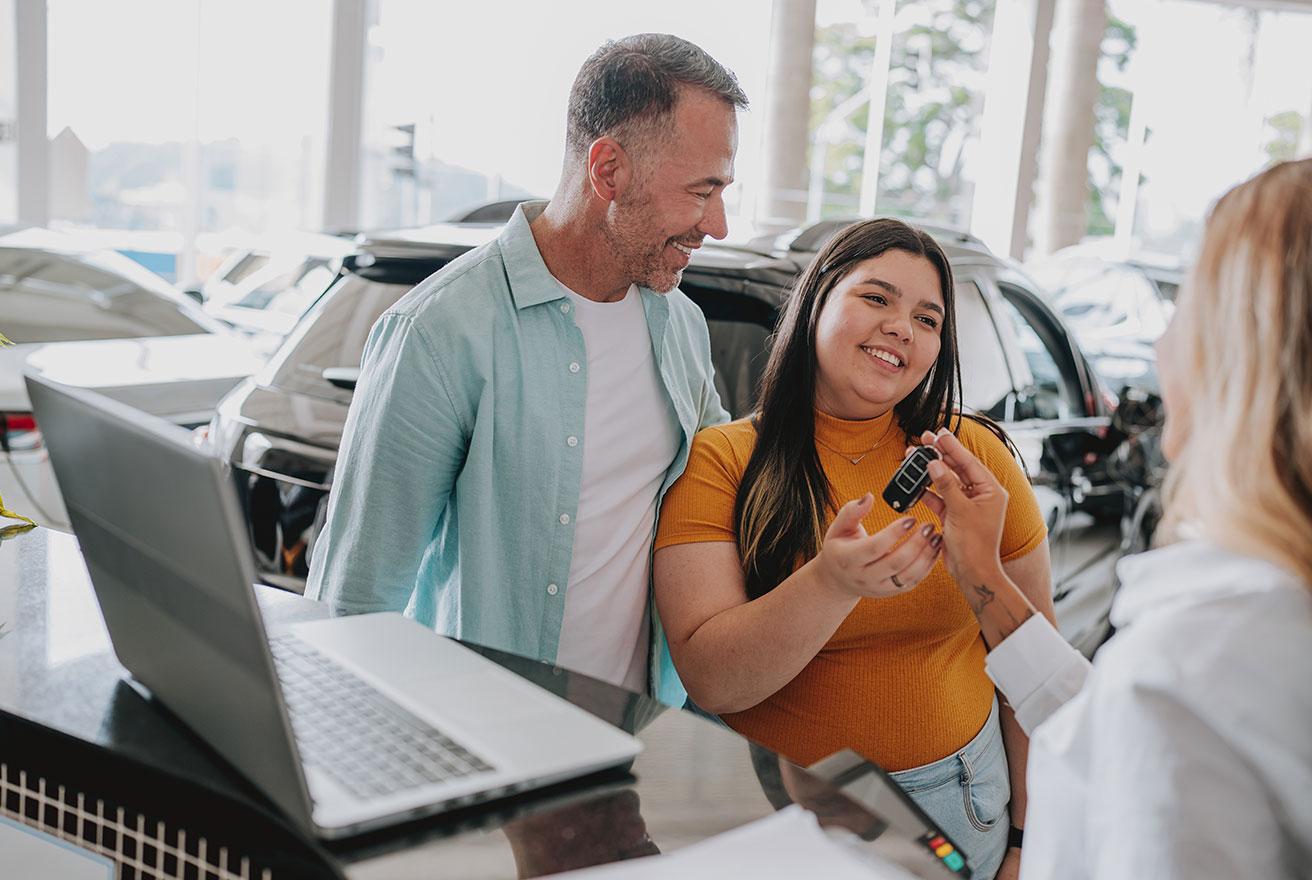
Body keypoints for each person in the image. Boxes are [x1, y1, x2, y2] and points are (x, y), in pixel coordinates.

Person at [306, 34, 746, 703]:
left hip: (634, 744)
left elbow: (723, 479)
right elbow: (356, 598)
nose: (717, 224)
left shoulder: (679, 323)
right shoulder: (441, 330)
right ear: (609, 172)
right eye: (700, 191)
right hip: (482, 744)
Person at [919, 158, 1312, 879]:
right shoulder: (1237, 647)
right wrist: (980, 575)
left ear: (1242, 358)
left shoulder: (1189, 677)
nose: (1160, 351)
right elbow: (1102, 732)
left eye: (1185, 307)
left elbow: (1146, 724)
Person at [653, 218, 1056, 879]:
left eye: (928, 319)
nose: (904, 326)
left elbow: (1032, 671)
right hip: (781, 814)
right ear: (817, 301)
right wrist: (831, 585)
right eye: (877, 298)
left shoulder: (973, 457)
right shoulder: (722, 461)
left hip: (959, 806)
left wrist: (1026, 838)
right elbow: (712, 679)